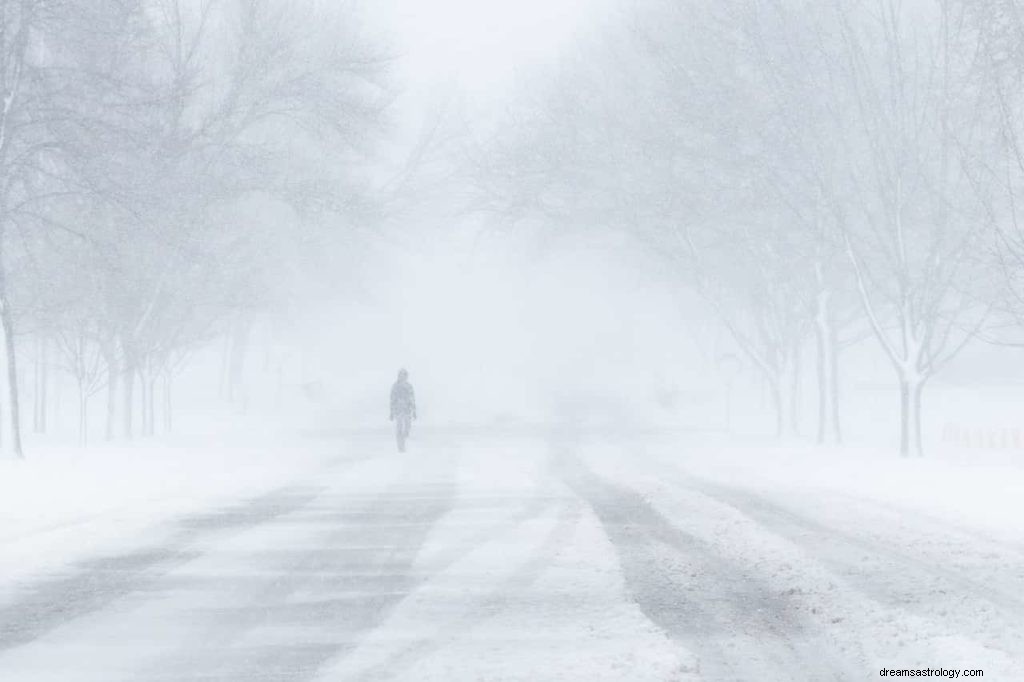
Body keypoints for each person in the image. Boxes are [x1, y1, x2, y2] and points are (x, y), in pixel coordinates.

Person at [389, 368, 416, 452]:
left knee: (407, 429)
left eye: (405, 375)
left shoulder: (409, 386)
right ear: (399, 376)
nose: (403, 377)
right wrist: (392, 412)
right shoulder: (395, 386)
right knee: (399, 428)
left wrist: (414, 411)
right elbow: (392, 399)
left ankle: (402, 442)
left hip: (407, 410)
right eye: (401, 375)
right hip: (399, 410)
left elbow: (412, 399)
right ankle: (400, 447)